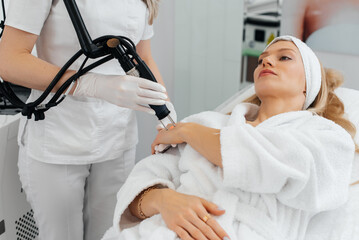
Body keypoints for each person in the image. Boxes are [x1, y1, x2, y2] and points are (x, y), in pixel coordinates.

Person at [101, 36, 358, 240]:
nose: (267, 62)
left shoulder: (327, 137)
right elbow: (139, 186)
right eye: (262, 60)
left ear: (309, 82)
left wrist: (187, 132)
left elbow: (269, 165)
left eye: (284, 57)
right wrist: (163, 200)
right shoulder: (208, 122)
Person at [0, 0, 176, 239]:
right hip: (57, 144)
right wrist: (90, 84)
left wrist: (164, 109)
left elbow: (142, 57)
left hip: (117, 142)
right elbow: (9, 61)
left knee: (111, 234)